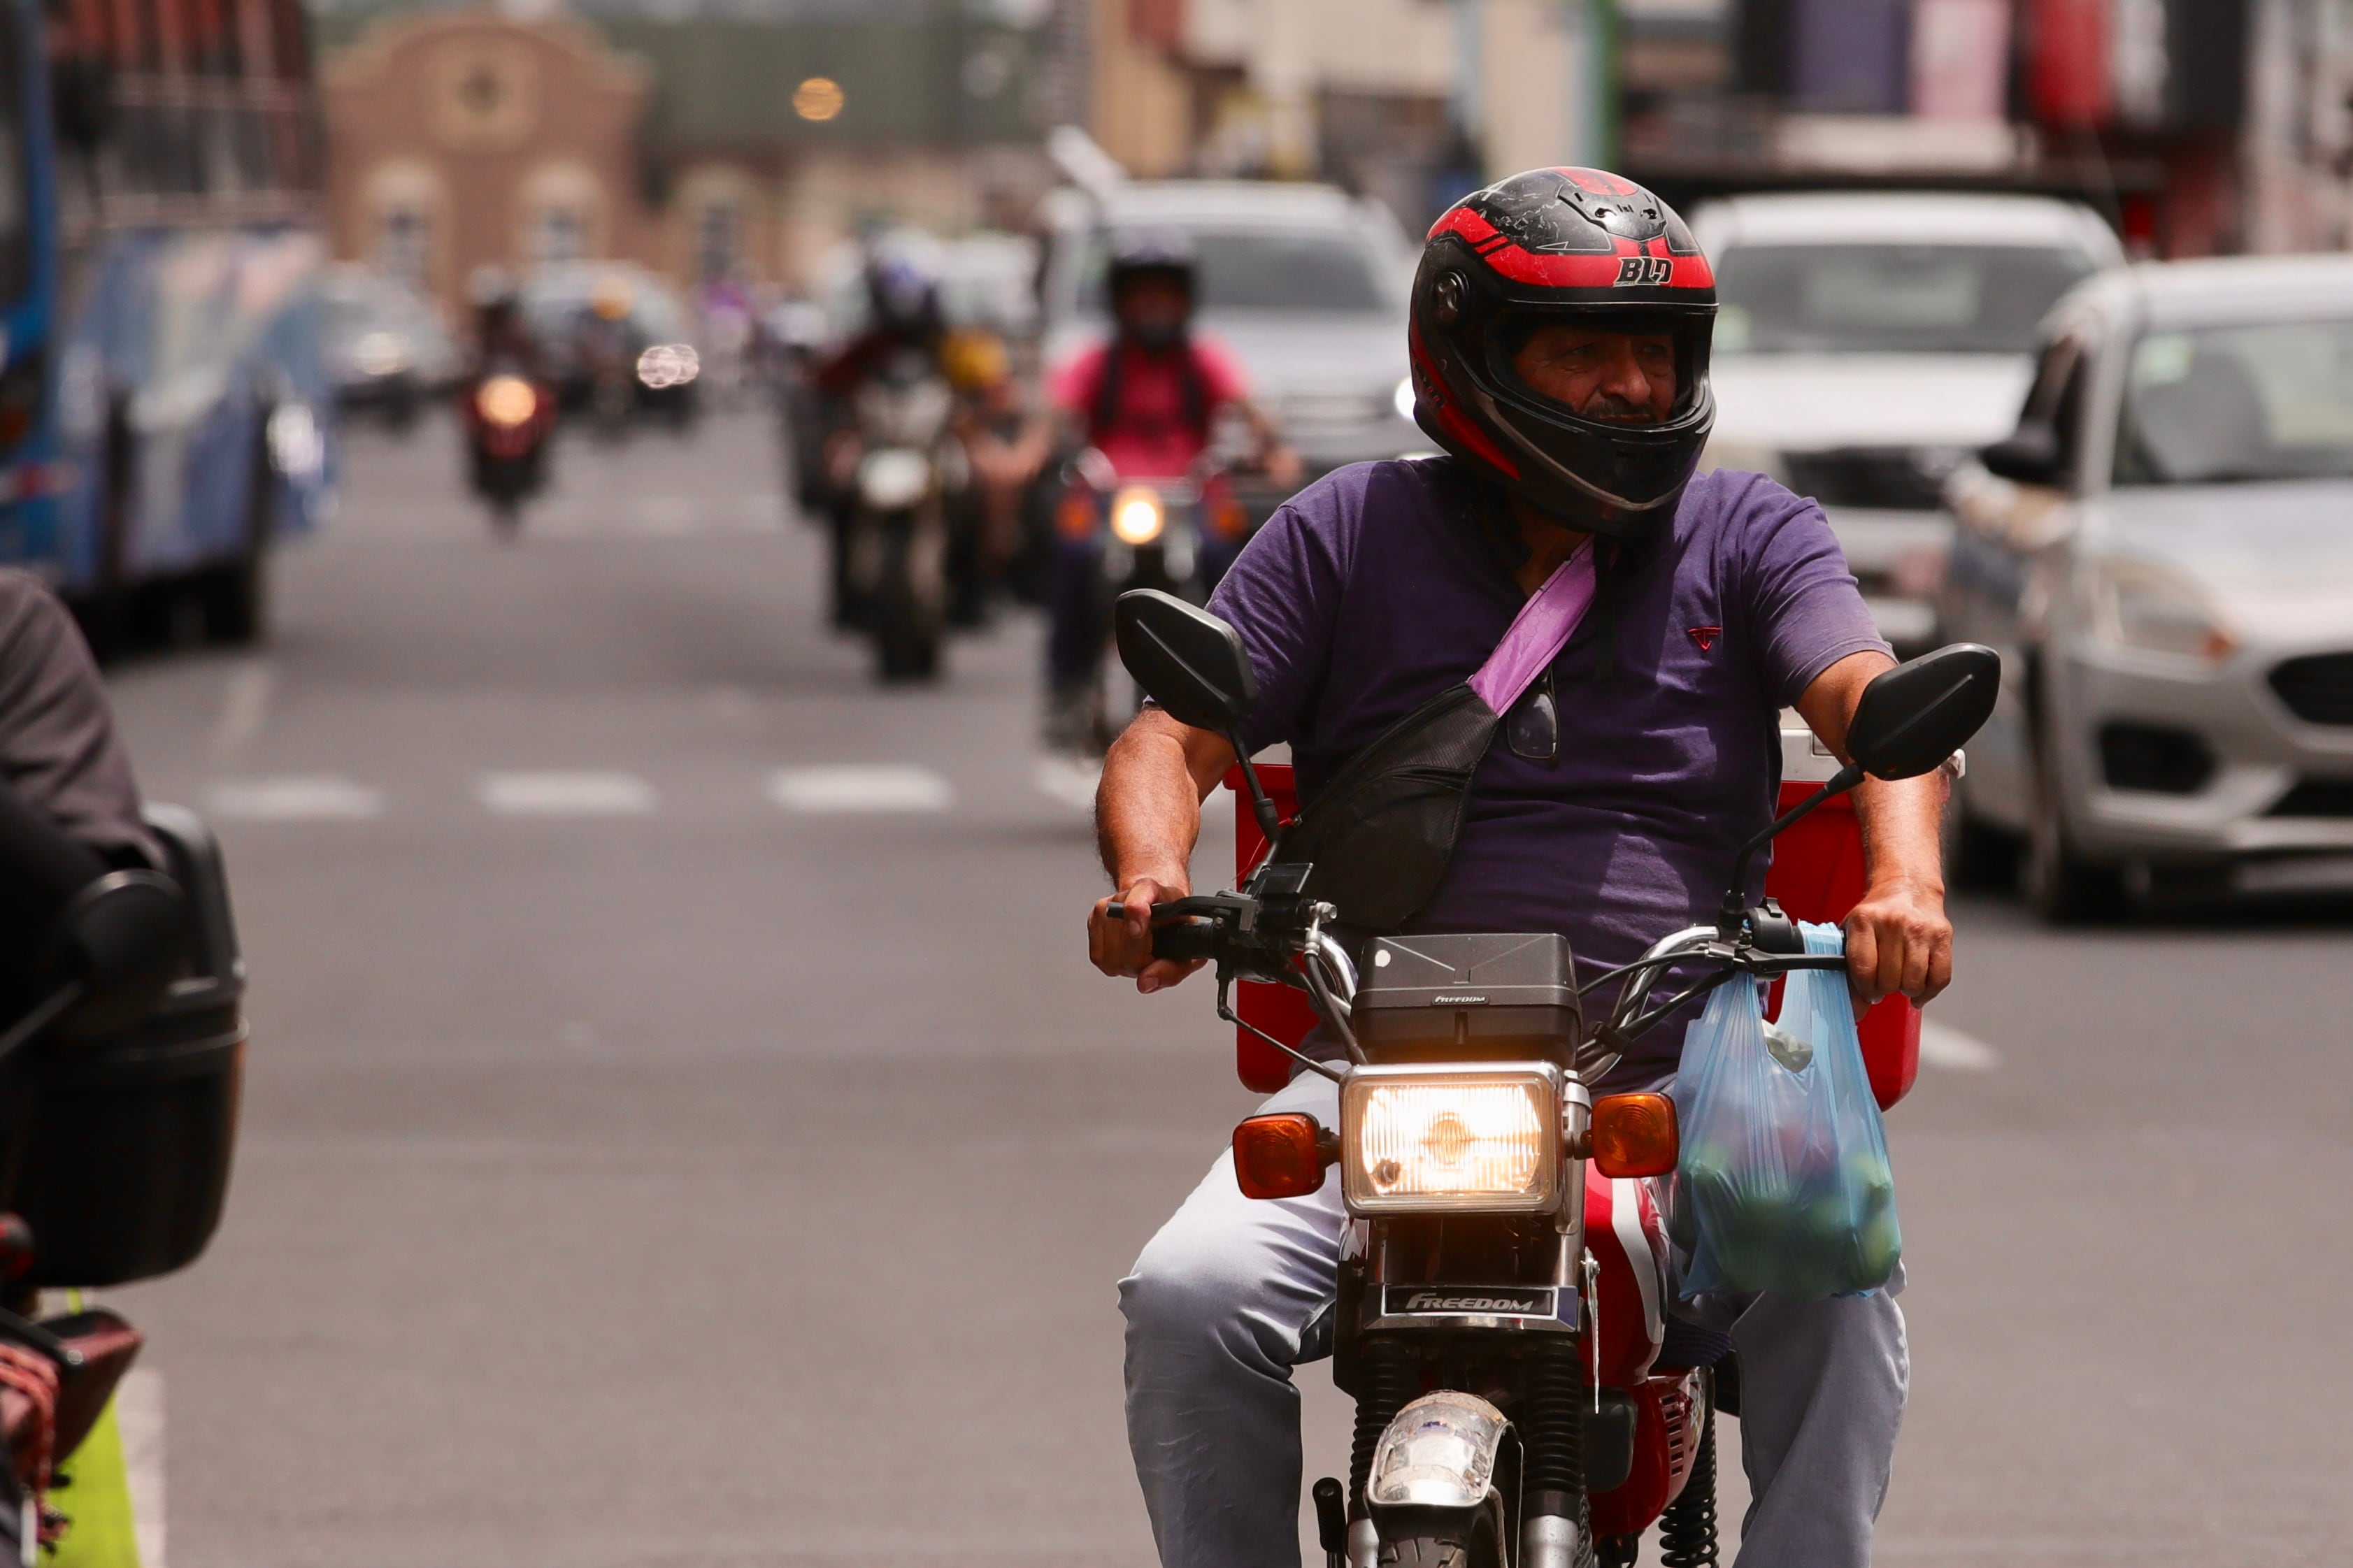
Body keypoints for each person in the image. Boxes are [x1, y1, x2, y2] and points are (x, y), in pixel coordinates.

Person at [1087, 168, 1950, 1568]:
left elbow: (1873, 708)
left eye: (1654, 351)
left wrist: (1900, 883)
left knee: (1835, 1282)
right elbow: (1167, 738)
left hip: (1678, 1075)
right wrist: (1146, 879)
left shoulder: (1748, 533)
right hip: (1385, 1069)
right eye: (1583, 349)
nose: (1628, 383)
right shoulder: (1342, 532)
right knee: (1187, 1296)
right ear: (1471, 356)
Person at [1039, 231, 1298, 749]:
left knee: (1228, 563)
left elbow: (1248, 407)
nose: (1153, 305)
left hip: (1191, 501)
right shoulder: (1097, 361)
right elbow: (1054, 415)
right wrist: (1027, 454)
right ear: (1119, 300)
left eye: (1164, 293)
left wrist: (1273, 450)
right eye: (1141, 293)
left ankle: (1237, 688)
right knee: (1072, 559)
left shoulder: (1202, 358)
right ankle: (1064, 686)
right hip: (1109, 499)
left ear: (1184, 300)